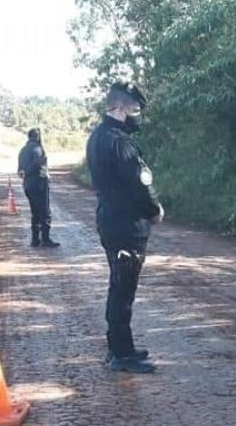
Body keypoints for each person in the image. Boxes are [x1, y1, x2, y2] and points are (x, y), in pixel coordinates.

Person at [86, 82, 164, 374]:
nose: (137, 115)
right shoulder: (119, 141)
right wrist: (154, 209)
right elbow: (138, 183)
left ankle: (121, 346)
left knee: (120, 284)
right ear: (119, 108)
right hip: (125, 224)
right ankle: (120, 354)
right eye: (134, 109)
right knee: (123, 288)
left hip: (111, 219)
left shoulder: (97, 136)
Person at [17, 128, 60, 248]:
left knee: (34, 212)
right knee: (45, 212)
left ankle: (35, 240)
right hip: (39, 184)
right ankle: (45, 239)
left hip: (27, 185)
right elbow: (38, 165)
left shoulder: (22, 151)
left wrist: (26, 175)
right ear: (37, 137)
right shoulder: (38, 149)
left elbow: (19, 171)